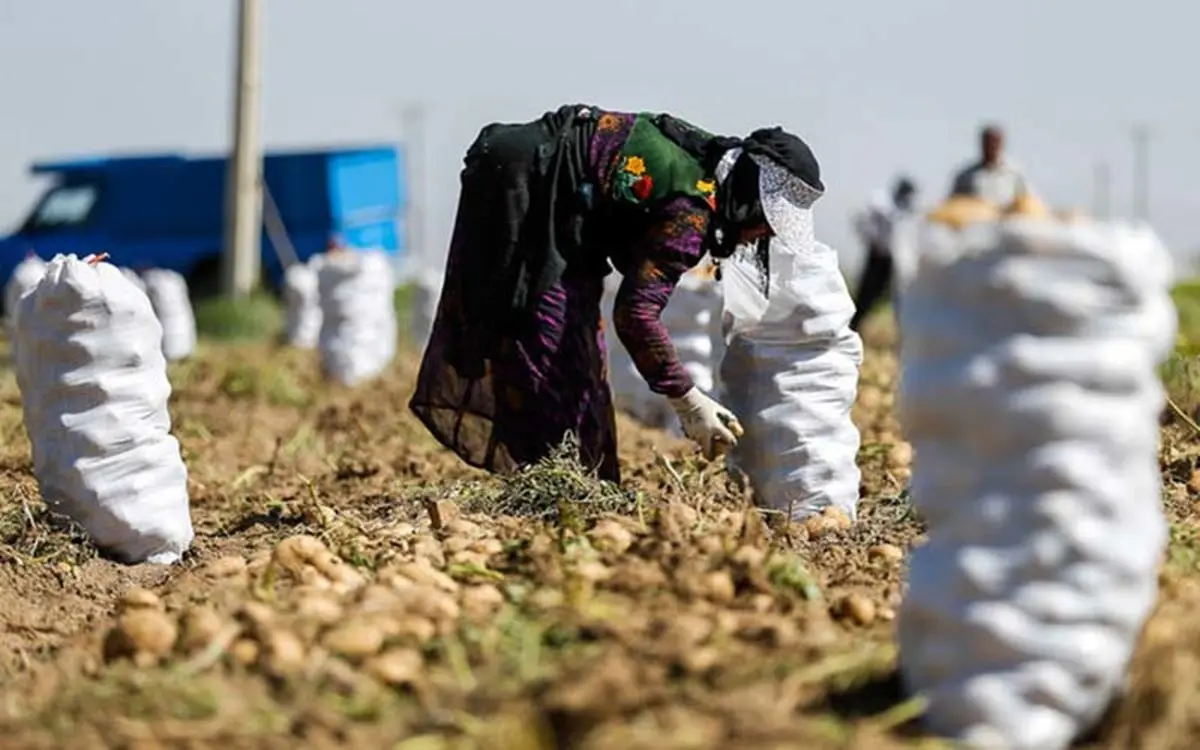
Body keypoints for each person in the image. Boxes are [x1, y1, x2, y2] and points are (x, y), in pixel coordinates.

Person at [409, 104, 826, 482]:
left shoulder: (710, 163)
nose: (761, 235)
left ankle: (573, 480)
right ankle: (555, 485)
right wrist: (687, 399)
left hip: (553, 194)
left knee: (576, 345)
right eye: (765, 223)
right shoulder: (689, 215)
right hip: (529, 188)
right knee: (552, 346)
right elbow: (635, 315)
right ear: (750, 201)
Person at [849, 176, 917, 332]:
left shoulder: (905, 209)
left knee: (900, 298)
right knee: (866, 296)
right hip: (877, 258)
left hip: (895, 261)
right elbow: (860, 221)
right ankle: (853, 329)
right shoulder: (880, 203)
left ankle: (902, 333)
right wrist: (872, 242)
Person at [949, 124, 1030, 207]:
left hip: (1006, 218)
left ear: (1001, 144)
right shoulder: (966, 177)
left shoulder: (1014, 175)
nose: (991, 147)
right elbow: (953, 204)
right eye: (988, 143)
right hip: (977, 218)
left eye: (995, 143)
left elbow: (1027, 202)